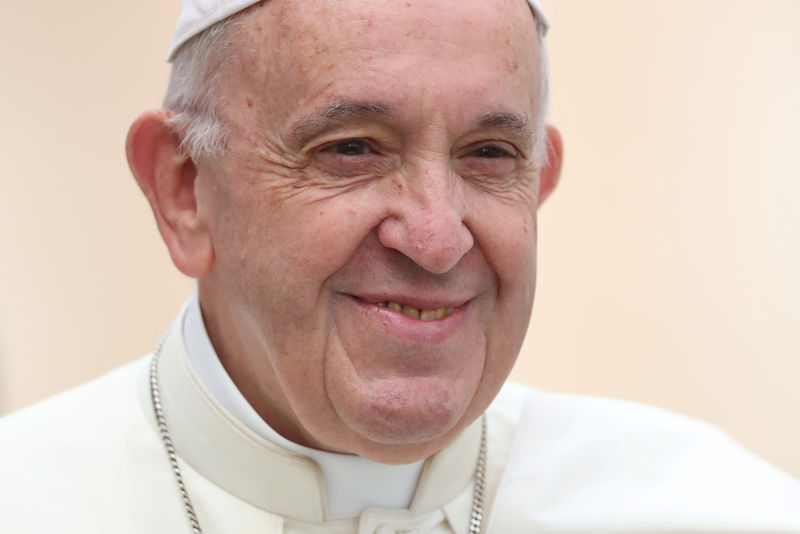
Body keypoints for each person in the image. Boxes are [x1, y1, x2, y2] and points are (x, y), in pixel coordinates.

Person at [1, 0, 799, 532]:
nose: (436, 236)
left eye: (489, 155)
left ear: (539, 183)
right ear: (184, 189)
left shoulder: (718, 509)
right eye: (351, 150)